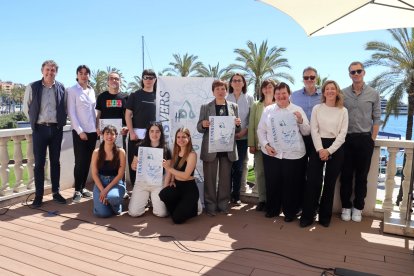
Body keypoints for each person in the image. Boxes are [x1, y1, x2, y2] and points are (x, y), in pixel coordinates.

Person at [257, 82, 310, 221]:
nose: (281, 96)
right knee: (272, 182)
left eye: (283, 93)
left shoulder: (297, 109)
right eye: (278, 93)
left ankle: (290, 212)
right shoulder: (268, 110)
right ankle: (272, 209)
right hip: (272, 153)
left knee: (291, 184)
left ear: (289, 94)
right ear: (274, 95)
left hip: (293, 155)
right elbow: (260, 130)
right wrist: (266, 145)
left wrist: (300, 120)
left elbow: (306, 131)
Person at [300, 80, 348, 228]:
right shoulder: (317, 108)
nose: (330, 91)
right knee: (313, 182)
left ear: (337, 91)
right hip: (317, 146)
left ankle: (324, 217)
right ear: (324, 92)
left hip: (335, 147)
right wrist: (321, 149)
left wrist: (329, 150)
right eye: (327, 89)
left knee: (329, 184)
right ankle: (308, 216)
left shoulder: (343, 111)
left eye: (333, 89)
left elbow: (342, 134)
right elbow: (314, 130)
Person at [23, 60, 67, 207]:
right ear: (42, 71)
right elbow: (26, 108)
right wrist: (34, 121)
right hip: (40, 130)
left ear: (56, 72)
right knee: (39, 164)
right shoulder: (32, 86)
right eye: (47, 70)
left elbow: (64, 107)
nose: (50, 72)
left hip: (56, 129)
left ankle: (56, 192)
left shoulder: (61, 87)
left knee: (55, 162)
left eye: (53, 70)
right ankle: (38, 196)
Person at [340, 61, 381, 222]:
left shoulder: (373, 93)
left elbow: (377, 118)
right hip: (346, 140)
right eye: (353, 72)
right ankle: (345, 207)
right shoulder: (342, 94)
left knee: (362, 177)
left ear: (364, 73)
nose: (356, 74)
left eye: (358, 71)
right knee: (346, 176)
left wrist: (372, 139)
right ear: (349, 75)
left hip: (365, 140)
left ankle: (358, 207)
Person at [197, 80, 241, 216]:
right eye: (217, 89)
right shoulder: (205, 107)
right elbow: (199, 128)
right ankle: (210, 205)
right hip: (211, 148)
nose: (220, 91)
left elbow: (237, 129)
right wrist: (203, 124)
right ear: (213, 92)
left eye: (223, 89)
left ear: (226, 91)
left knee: (225, 179)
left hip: (227, 149)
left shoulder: (234, 106)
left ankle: (223, 205)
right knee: (209, 179)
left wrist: (238, 124)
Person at [291, 67, 322, 210]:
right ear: (302, 79)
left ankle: (314, 205)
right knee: (298, 172)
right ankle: (298, 204)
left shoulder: (324, 95)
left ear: (316, 78)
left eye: (312, 77)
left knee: (315, 174)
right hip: (300, 138)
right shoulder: (295, 96)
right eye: (306, 77)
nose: (309, 80)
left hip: (318, 139)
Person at [67, 65, 97, 203]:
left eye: (86, 73)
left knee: (87, 161)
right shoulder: (72, 91)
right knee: (79, 162)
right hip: (80, 132)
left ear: (89, 76)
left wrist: (96, 128)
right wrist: (80, 131)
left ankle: (83, 187)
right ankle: (77, 190)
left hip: (92, 132)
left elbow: (93, 112)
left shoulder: (91, 90)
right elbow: (71, 113)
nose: (84, 76)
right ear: (77, 75)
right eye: (81, 73)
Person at [128, 122, 171, 217]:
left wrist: (165, 187)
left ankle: (153, 199)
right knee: (134, 213)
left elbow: (169, 172)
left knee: (161, 213)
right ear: (148, 132)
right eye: (152, 131)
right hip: (142, 182)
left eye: (157, 132)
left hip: (158, 183)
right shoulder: (139, 147)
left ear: (161, 133)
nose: (154, 134)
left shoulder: (166, 149)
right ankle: (147, 199)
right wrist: (134, 166)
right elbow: (132, 166)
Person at [159, 128, 199, 224]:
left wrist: (168, 168)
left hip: (189, 188)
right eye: (178, 137)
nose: (180, 139)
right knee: (163, 194)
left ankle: (191, 210)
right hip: (177, 185)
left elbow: (185, 175)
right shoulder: (176, 152)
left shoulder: (192, 154)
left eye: (183, 137)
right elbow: (175, 169)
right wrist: (172, 180)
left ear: (188, 138)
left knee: (177, 219)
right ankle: (181, 209)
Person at [248, 79, 277, 212]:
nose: (267, 89)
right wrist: (252, 144)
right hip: (260, 146)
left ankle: (274, 199)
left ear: (274, 88)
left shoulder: (280, 104)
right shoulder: (256, 105)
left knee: (275, 174)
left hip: (277, 147)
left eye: (270, 86)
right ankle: (262, 200)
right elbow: (252, 125)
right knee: (260, 173)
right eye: (264, 87)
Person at [125, 69, 157, 186]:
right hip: (136, 136)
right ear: (142, 79)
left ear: (155, 79)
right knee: (135, 164)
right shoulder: (135, 95)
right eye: (146, 77)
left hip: (153, 137)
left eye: (151, 77)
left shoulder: (159, 95)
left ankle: (149, 193)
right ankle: (135, 190)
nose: (148, 80)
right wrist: (131, 132)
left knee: (150, 164)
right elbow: (128, 114)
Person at [226, 73, 254, 205]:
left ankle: (236, 194)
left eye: (239, 81)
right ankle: (226, 194)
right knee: (227, 167)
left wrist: (244, 131)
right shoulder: (226, 97)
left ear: (243, 84)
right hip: (227, 139)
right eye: (234, 81)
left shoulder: (249, 98)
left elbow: (251, 119)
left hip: (243, 138)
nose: (237, 83)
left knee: (238, 167)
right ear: (230, 84)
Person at [91, 125, 126, 217]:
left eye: (112, 134)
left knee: (112, 197)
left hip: (115, 182)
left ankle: (115, 204)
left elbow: (120, 174)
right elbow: (94, 174)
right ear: (102, 135)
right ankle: (104, 205)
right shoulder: (96, 152)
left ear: (116, 136)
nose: (109, 136)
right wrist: (102, 190)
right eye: (107, 133)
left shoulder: (120, 152)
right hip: (100, 182)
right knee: (103, 214)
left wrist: (106, 191)